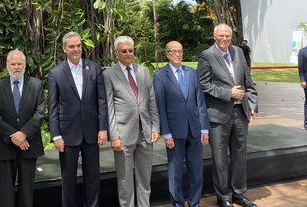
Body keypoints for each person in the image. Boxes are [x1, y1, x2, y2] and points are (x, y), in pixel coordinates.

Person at [197, 24, 258, 207]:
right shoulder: (206, 56)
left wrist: (252, 105)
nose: (224, 39)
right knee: (220, 158)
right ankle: (222, 196)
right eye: (221, 35)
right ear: (214, 36)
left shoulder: (239, 52)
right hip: (218, 115)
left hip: (241, 113)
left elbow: (248, 81)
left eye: (228, 36)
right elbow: (203, 85)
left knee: (240, 155)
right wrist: (227, 93)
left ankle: (239, 194)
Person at [48, 31, 109, 207]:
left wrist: (103, 128)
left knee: (93, 179)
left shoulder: (94, 68)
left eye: (78, 46)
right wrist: (56, 135)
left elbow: (101, 100)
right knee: (68, 181)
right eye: (71, 46)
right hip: (68, 136)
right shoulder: (56, 73)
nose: (76, 49)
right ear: (64, 49)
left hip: (91, 133)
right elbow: (52, 107)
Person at [104, 36, 160, 207]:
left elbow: (152, 101)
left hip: (145, 132)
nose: (128, 54)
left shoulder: (143, 71)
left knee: (145, 179)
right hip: (123, 134)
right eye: (124, 51)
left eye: (131, 50)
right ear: (116, 53)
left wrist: (155, 126)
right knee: (125, 181)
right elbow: (109, 108)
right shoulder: (108, 74)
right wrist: (114, 136)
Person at [154, 41, 209, 207]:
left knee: (196, 171)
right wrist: (166, 133)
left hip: (194, 130)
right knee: (175, 172)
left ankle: (194, 202)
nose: (177, 54)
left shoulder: (192, 73)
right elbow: (160, 106)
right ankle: (177, 203)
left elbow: (200, 103)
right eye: (174, 51)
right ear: (167, 54)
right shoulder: (160, 75)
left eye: (180, 51)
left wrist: (204, 129)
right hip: (174, 132)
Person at [0, 50, 45, 207]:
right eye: (12, 64)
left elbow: (39, 114)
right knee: (5, 193)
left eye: (19, 64)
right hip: (5, 146)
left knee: (27, 192)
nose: (16, 67)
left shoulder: (36, 85)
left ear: (25, 65)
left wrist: (24, 133)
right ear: (7, 66)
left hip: (29, 145)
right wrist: (15, 135)